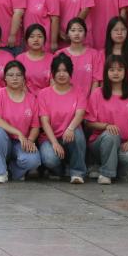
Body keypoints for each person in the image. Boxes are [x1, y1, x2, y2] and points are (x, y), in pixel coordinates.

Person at [85, 55, 128, 184]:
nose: (116, 73)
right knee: (112, 134)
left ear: (125, 72)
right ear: (106, 72)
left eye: (120, 69)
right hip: (101, 143)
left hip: (125, 144)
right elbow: (88, 122)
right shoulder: (97, 93)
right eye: (112, 69)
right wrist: (106, 126)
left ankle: (119, 169)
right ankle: (107, 174)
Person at [0, 61, 41, 184]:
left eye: (18, 75)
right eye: (10, 75)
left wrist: (30, 140)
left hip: (21, 143)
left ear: (24, 78)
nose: (15, 78)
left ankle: (13, 170)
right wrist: (18, 132)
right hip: (3, 140)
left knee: (34, 161)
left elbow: (35, 126)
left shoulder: (31, 99)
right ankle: (0, 172)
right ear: (5, 78)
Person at [37, 54, 88, 184]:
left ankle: (77, 173)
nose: (61, 74)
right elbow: (44, 122)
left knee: (77, 133)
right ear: (53, 73)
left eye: (65, 70)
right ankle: (59, 170)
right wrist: (54, 143)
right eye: (58, 71)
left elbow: (80, 113)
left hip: (69, 135)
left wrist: (70, 128)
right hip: (50, 138)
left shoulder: (79, 91)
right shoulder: (43, 94)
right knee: (50, 159)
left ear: (70, 72)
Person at [55, 18, 100, 94]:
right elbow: (54, 79)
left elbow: (96, 81)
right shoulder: (59, 54)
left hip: (87, 100)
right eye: (73, 30)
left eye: (80, 30)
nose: (76, 33)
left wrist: (92, 99)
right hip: (64, 98)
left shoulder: (94, 54)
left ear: (85, 34)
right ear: (68, 34)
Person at [15, 24, 53, 94]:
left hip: (46, 97)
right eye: (32, 37)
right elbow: (18, 82)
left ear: (45, 39)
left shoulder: (52, 58)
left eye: (40, 36)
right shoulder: (20, 59)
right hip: (24, 97)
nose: (36, 40)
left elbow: (53, 84)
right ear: (26, 40)